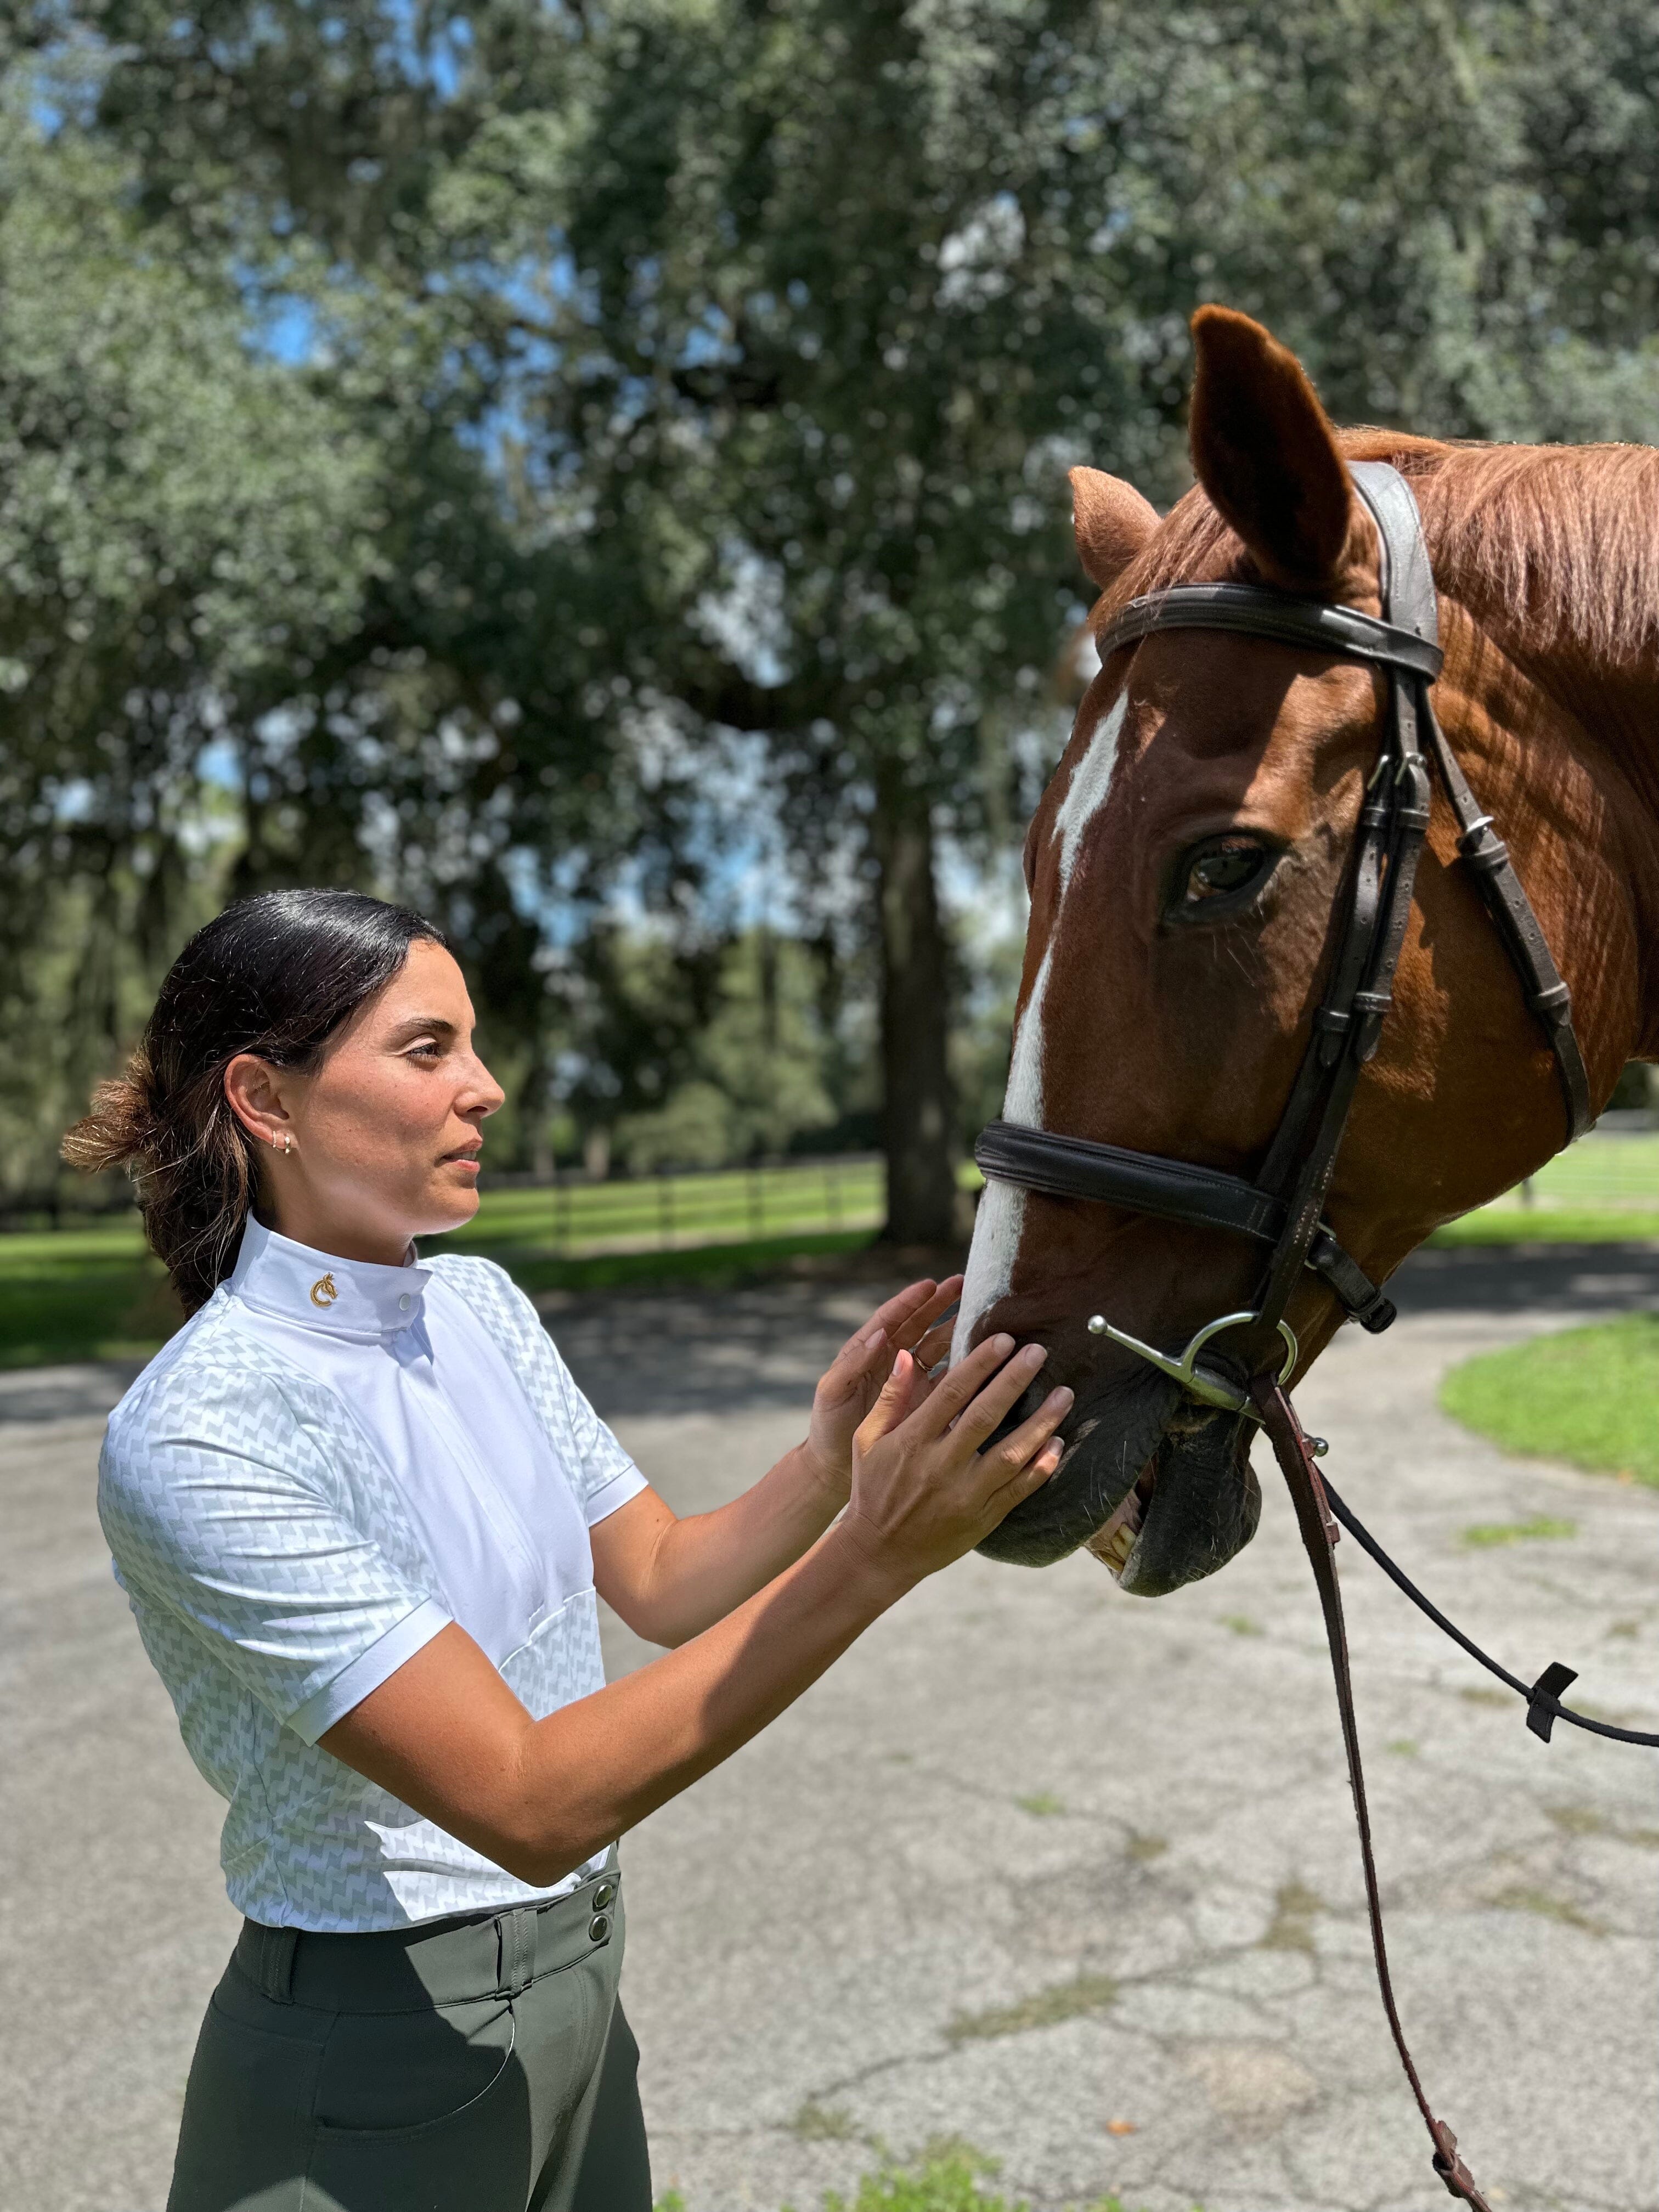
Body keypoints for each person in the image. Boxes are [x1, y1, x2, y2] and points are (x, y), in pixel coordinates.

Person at [64, 888, 1070, 2212]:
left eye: (474, 1046)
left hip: (585, 2002)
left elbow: (660, 1579)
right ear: (268, 1098)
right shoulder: (200, 1432)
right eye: (428, 1049)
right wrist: (875, 1559)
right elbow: (529, 1803)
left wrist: (832, 1463)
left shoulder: (476, 1302)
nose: (485, 1089)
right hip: (365, 2066)